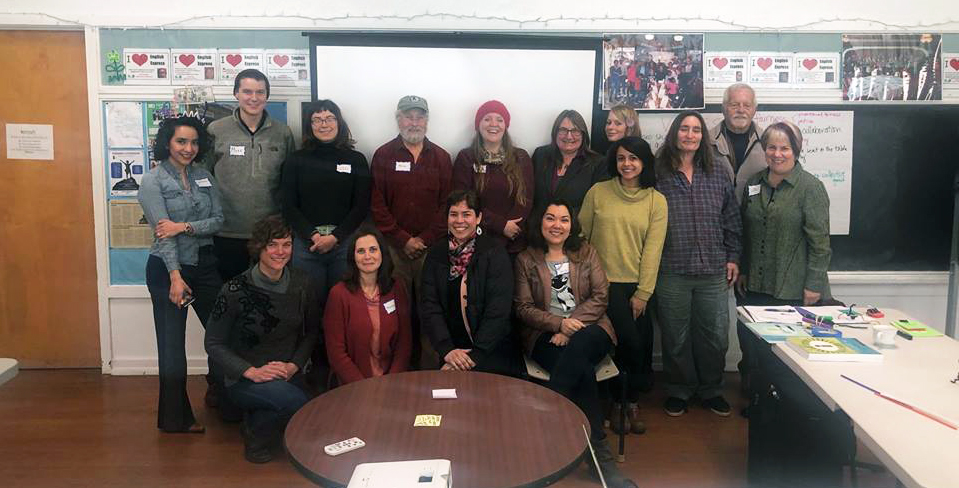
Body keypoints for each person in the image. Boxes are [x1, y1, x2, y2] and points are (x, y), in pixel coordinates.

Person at [514, 200, 637, 488]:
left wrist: (570, 328)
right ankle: (601, 461)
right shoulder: (526, 259)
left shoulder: (586, 252)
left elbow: (600, 296)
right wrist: (558, 324)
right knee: (580, 369)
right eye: (550, 218)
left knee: (579, 346)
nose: (557, 225)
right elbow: (522, 307)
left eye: (564, 219)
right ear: (540, 222)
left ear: (572, 224)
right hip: (544, 334)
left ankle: (544, 430)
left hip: (592, 328)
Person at [204, 215, 319, 463]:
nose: (280, 252)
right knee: (297, 405)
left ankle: (257, 417)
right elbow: (213, 343)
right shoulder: (234, 290)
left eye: (286, 244)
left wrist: (293, 365)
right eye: (272, 245)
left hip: (285, 371)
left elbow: (311, 332)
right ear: (259, 248)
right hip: (245, 377)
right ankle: (255, 434)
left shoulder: (302, 283)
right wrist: (251, 372)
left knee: (315, 412)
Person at [137, 115, 223, 434]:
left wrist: (185, 226)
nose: (188, 148)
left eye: (193, 142)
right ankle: (175, 419)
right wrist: (175, 276)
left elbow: (218, 220)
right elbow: (163, 234)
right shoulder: (153, 181)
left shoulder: (204, 176)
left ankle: (226, 400)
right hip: (168, 269)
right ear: (167, 144)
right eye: (181, 141)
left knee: (221, 332)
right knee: (172, 346)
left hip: (205, 265)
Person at [654, 111, 742, 418]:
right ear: (675, 133)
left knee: (715, 336)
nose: (690, 135)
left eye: (696, 130)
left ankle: (711, 390)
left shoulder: (718, 170)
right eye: (684, 129)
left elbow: (731, 217)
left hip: (713, 269)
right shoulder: (657, 170)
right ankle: (679, 390)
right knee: (674, 337)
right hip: (671, 267)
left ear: (703, 136)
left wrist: (733, 256)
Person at [579, 137, 667, 434]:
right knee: (616, 345)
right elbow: (582, 239)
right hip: (600, 285)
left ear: (644, 162)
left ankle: (629, 401)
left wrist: (643, 293)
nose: (627, 164)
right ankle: (617, 402)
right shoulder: (598, 193)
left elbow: (653, 251)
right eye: (621, 158)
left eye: (633, 158)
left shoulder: (656, 200)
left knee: (635, 347)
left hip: (635, 288)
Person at [281, 99, 371, 389]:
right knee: (310, 311)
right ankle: (315, 372)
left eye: (329, 118)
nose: (323, 123)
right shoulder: (296, 159)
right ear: (310, 126)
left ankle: (342, 372)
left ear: (339, 122)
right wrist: (313, 237)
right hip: (307, 247)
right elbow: (288, 205)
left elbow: (361, 206)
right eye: (317, 119)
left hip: (344, 245)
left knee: (344, 310)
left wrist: (336, 238)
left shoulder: (355, 160)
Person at [736, 122, 831, 392]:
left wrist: (814, 284)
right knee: (753, 347)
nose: (777, 154)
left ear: (796, 151)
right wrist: (743, 269)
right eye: (772, 147)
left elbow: (820, 243)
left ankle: (783, 405)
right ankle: (759, 401)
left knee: (785, 354)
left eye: (784, 148)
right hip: (755, 285)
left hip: (792, 287)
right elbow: (746, 231)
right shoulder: (754, 183)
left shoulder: (810, 187)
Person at [370, 95, 452, 368]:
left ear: (427, 121)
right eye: (408, 116)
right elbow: (376, 203)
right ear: (398, 119)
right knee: (396, 312)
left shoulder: (441, 157)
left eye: (419, 116)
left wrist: (424, 239)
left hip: (432, 249)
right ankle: (396, 368)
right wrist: (403, 239)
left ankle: (428, 369)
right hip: (394, 249)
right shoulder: (383, 155)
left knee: (430, 310)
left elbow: (447, 205)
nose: (414, 122)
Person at [205, 69, 295, 282]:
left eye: (260, 92)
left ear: (267, 96)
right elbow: (203, 178)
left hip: (270, 235)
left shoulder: (283, 133)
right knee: (231, 295)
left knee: (269, 296)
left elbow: (289, 182)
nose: (254, 98)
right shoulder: (216, 130)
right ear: (236, 93)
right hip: (227, 232)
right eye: (247, 91)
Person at [420, 190, 519, 375]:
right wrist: (447, 350)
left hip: (491, 352)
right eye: (453, 214)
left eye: (466, 214)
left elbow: (498, 310)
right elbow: (429, 305)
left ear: (479, 217)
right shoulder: (436, 254)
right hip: (451, 352)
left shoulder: (494, 253)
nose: (459, 221)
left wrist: (474, 357)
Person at [324, 225, 412, 384]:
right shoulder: (338, 294)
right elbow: (336, 353)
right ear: (353, 257)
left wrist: (392, 380)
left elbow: (404, 343)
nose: (367, 256)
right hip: (353, 386)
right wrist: (363, 386)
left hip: (393, 383)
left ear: (382, 254)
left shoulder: (396, 287)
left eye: (373, 249)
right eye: (361, 251)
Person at [452, 100, 534, 256]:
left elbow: (526, 199)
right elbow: (463, 201)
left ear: (506, 125)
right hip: (476, 240)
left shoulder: (521, 157)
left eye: (499, 119)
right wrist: (501, 225)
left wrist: (510, 229)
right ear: (478, 124)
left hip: (513, 243)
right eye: (487, 119)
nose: (493, 124)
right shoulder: (467, 158)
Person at [530, 109, 607, 217]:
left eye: (575, 131)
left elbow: (596, 205)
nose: (569, 136)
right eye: (563, 130)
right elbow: (529, 194)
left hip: (575, 229)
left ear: (583, 134)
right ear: (555, 132)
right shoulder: (540, 155)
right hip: (538, 227)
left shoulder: (598, 163)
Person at [709, 83, 765, 201]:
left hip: (756, 217)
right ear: (723, 108)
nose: (741, 110)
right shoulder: (706, 141)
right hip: (717, 215)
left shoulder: (768, 143)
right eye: (734, 105)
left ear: (754, 110)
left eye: (747, 105)